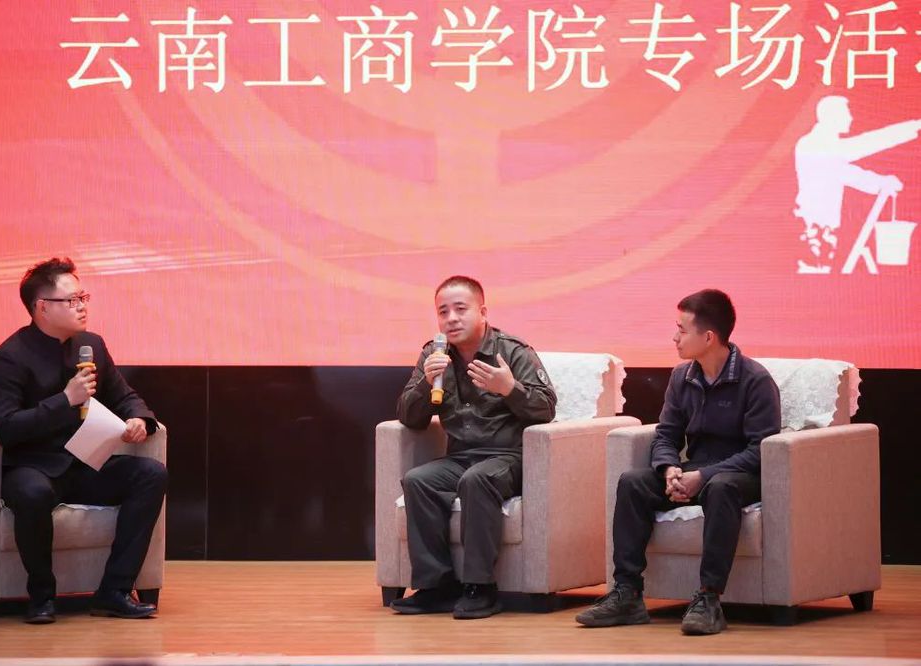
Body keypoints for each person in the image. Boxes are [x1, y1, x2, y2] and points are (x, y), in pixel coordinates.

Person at [576, 289, 780, 635]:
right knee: (633, 483)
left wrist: (704, 475)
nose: (675, 338)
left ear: (709, 337)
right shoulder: (682, 377)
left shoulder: (755, 380)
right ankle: (627, 593)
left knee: (720, 487)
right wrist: (669, 468)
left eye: (682, 330)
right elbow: (667, 434)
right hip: (696, 469)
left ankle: (709, 598)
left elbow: (761, 449)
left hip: (740, 475)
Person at [0, 257, 168, 624]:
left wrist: (139, 418)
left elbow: (124, 396)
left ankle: (114, 591)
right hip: (33, 468)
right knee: (33, 493)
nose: (82, 306)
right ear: (42, 307)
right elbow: (6, 427)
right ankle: (41, 595)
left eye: (83, 297)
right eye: (71, 300)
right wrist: (65, 400)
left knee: (151, 474)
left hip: (84, 463)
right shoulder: (10, 357)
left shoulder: (91, 345)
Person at [391, 276, 557, 619]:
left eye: (460, 309)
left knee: (476, 480)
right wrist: (426, 384)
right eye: (443, 312)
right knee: (418, 480)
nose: (451, 318)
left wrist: (509, 388)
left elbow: (546, 408)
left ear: (482, 312)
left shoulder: (512, 351)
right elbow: (410, 417)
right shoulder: (433, 353)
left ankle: (481, 588)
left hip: (509, 457)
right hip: (461, 457)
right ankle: (436, 587)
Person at [794, 96, 921, 273]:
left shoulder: (823, 143)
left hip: (820, 225)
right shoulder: (814, 144)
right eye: (846, 113)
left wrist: (914, 126)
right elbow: (847, 171)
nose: (850, 118)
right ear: (832, 117)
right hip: (813, 227)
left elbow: (865, 143)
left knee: (820, 271)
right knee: (814, 273)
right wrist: (882, 182)